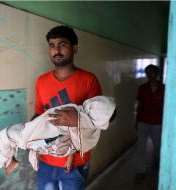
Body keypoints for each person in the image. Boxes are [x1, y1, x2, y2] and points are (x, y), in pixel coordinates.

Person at [32, 25, 102, 190]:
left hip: (76, 162)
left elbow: (101, 120)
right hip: (47, 159)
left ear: (75, 48)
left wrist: (77, 119)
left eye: (62, 44)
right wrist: (27, 135)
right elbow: (38, 114)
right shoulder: (41, 81)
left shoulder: (89, 80)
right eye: (52, 45)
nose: (56, 50)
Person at [0, 96, 115, 176]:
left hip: (39, 140)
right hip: (52, 147)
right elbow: (74, 141)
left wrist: (31, 131)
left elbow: (47, 120)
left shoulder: (73, 112)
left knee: (4, 135)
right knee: (14, 138)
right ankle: (9, 160)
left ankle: (9, 161)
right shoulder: (92, 131)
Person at [134, 64, 165, 182]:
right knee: (141, 147)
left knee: (157, 145)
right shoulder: (142, 88)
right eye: (148, 72)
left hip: (157, 122)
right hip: (143, 121)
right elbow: (139, 105)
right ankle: (141, 171)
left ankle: (156, 159)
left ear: (157, 74)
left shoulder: (164, 88)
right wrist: (136, 120)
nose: (149, 74)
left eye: (152, 72)